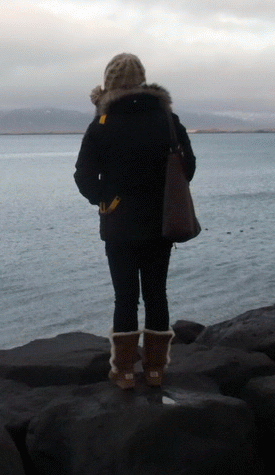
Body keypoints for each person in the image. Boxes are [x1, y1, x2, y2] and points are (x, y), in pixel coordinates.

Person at [74, 53, 196, 390]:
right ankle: (155, 370)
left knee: (125, 297)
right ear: (142, 80)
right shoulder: (168, 119)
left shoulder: (101, 124)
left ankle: (124, 372)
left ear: (110, 84)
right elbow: (189, 167)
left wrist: (105, 200)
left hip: (119, 224)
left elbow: (83, 175)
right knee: (157, 294)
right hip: (162, 222)